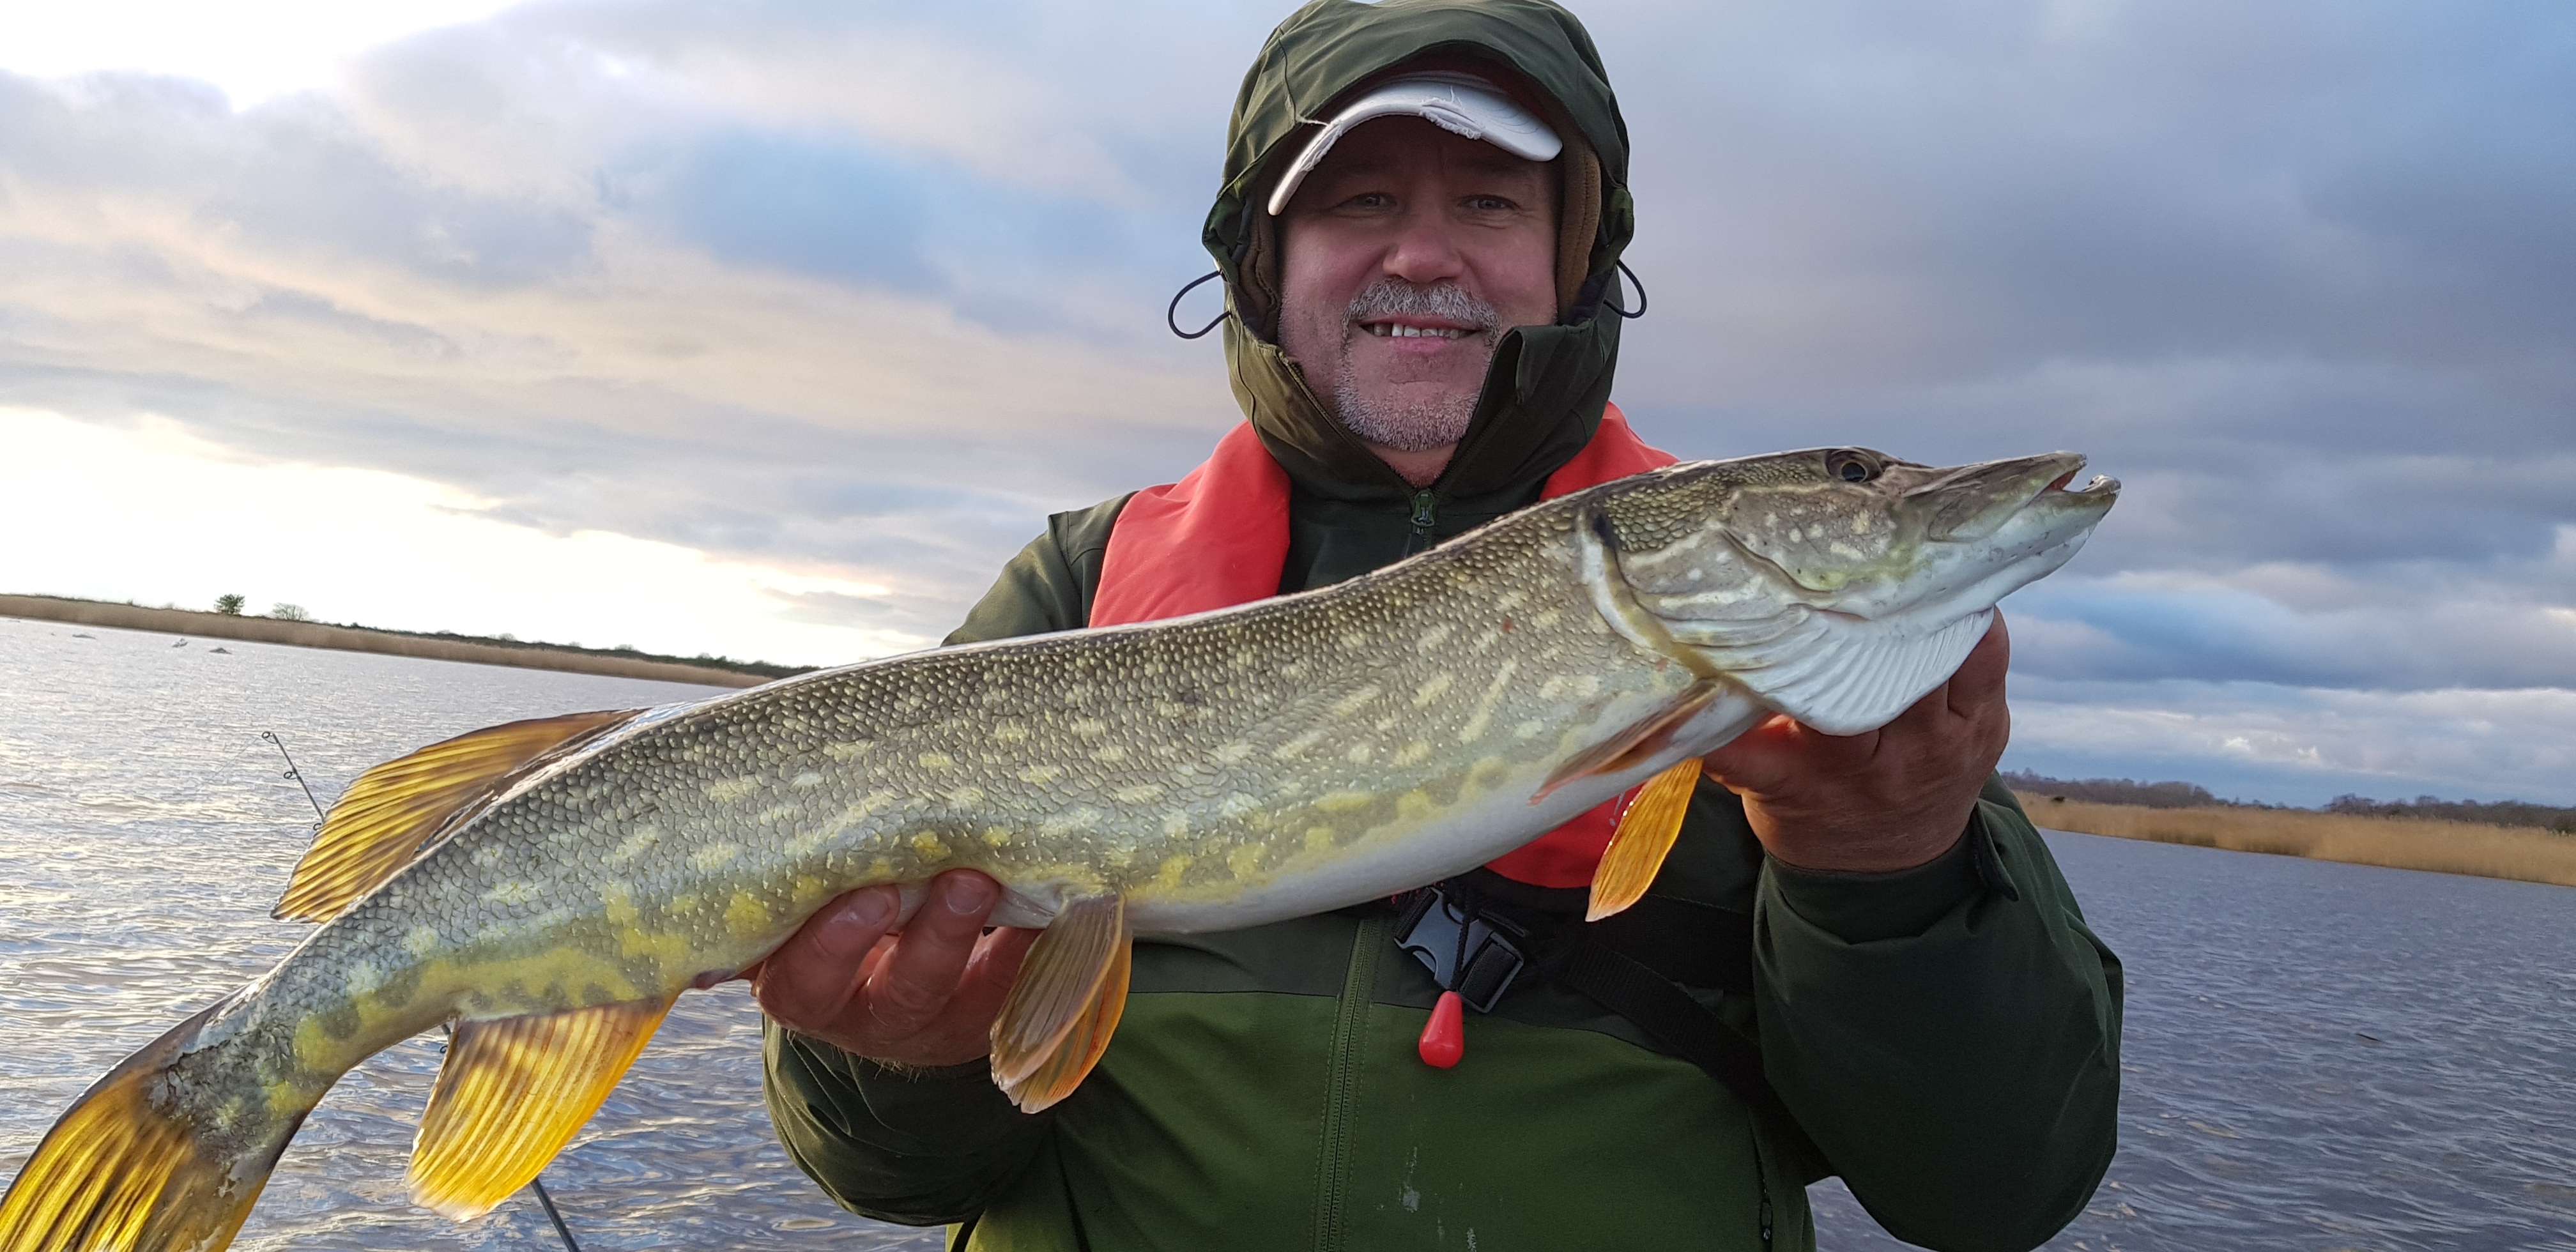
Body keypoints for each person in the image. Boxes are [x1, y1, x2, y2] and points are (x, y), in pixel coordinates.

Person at [751, 2, 2124, 1248]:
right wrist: (898, 1053)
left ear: (1572, 262)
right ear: (1267, 261)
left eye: (1489, 200)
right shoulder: (1083, 582)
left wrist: (1890, 870)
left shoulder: (1825, 703)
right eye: (1361, 199)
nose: (1421, 252)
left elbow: (1997, 1191)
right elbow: (887, 1174)